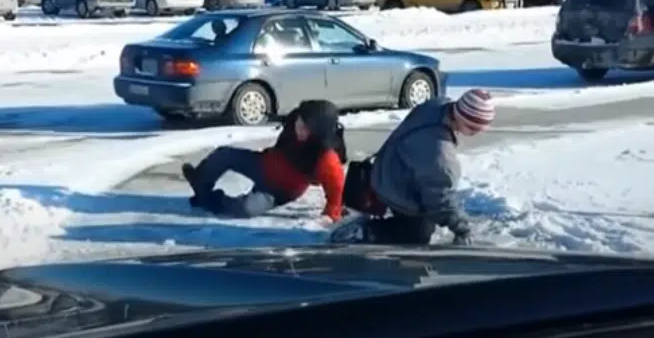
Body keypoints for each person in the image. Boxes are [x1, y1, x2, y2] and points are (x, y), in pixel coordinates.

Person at [339, 89, 495, 246]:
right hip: (396, 185)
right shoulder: (439, 150)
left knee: (426, 218)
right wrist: (462, 229)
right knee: (417, 236)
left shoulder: (437, 105)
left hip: (391, 164)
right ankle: (365, 231)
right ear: (462, 119)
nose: (477, 133)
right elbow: (440, 198)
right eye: (475, 129)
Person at [182, 100, 347, 221]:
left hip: (278, 191)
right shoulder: (294, 122)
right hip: (263, 164)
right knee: (224, 155)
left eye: (306, 128)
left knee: (245, 209)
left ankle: (210, 200)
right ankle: (200, 181)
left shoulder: (326, 157)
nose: (299, 129)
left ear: (318, 132)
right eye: (299, 123)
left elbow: (336, 190)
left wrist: (331, 215)